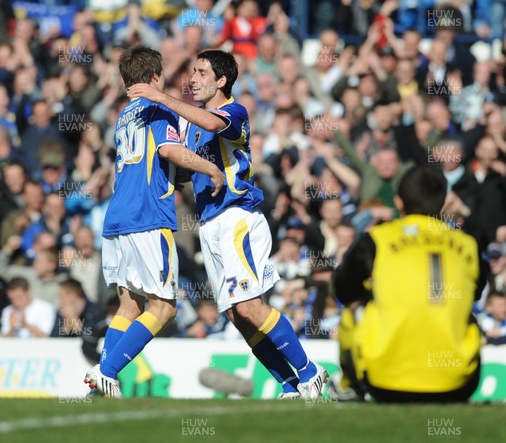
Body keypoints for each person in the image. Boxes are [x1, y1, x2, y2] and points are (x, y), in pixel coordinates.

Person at [128, 50, 328, 399]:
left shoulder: (234, 112)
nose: (193, 78)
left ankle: (311, 372)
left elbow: (212, 124)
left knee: (250, 306)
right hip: (209, 223)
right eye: (191, 71)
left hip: (237, 217)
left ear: (221, 81)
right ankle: (290, 385)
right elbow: (190, 168)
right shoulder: (192, 125)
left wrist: (159, 96)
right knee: (237, 316)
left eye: (202, 72)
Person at [84, 46, 224, 398]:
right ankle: (107, 371)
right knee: (163, 307)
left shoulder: (123, 115)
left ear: (123, 80)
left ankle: (102, 382)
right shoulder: (158, 107)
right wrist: (210, 167)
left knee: (129, 306)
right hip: (147, 217)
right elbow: (167, 150)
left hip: (117, 218)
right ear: (156, 77)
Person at [333, 166, 487, 402]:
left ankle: (349, 386)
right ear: (444, 202)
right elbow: (476, 293)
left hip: (384, 382)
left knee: (354, 309)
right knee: (467, 314)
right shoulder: (467, 244)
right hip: (457, 384)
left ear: (399, 202)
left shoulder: (377, 239)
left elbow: (342, 289)